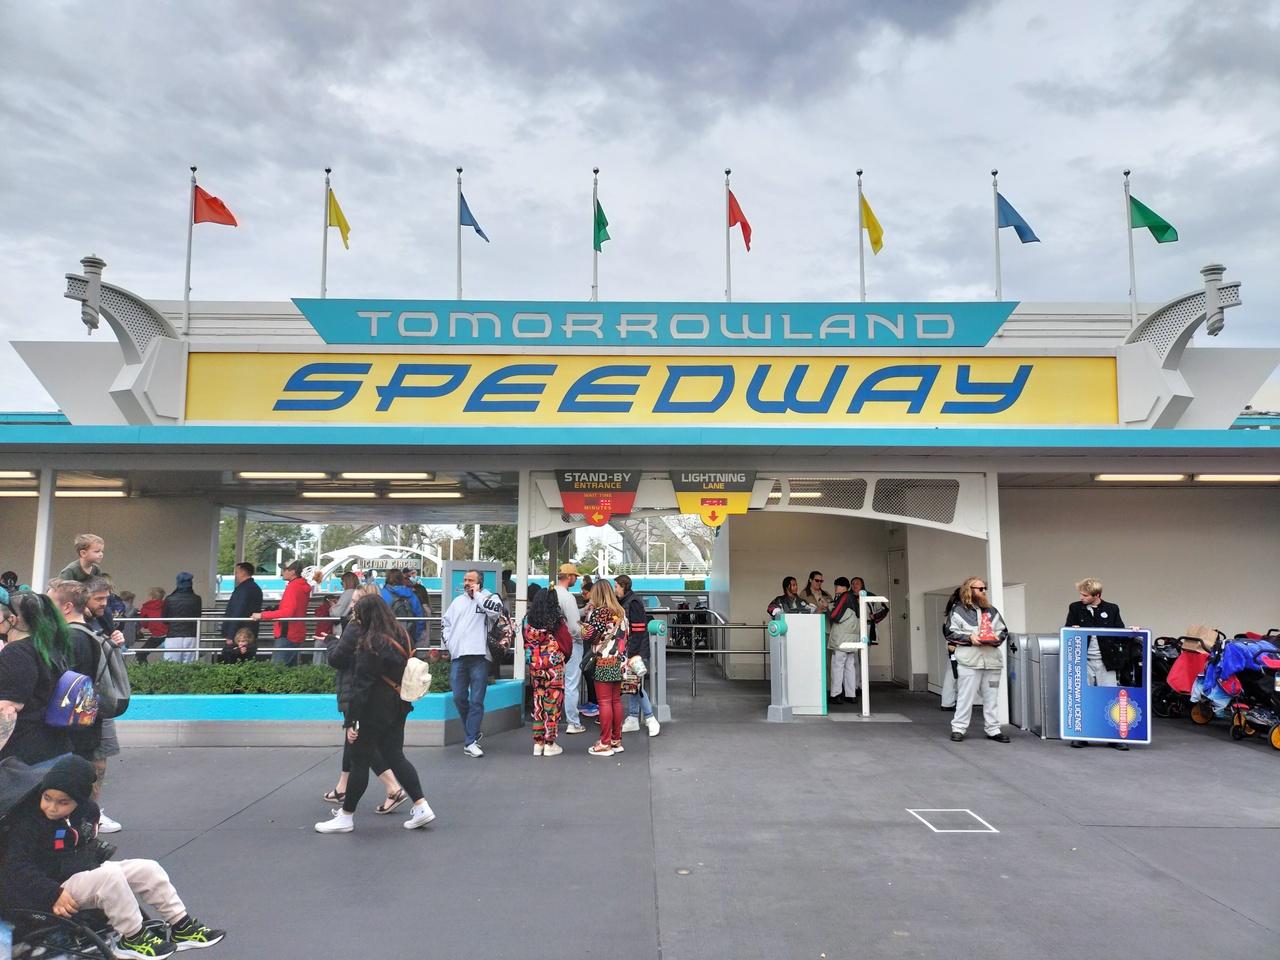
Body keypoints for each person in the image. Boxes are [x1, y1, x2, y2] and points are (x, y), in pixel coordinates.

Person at [0, 754, 225, 957]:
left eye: (62, 802)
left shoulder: (88, 812)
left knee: (147, 868)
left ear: (79, 800)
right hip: (49, 887)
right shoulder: (29, 822)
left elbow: (86, 850)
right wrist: (52, 894)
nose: (51, 807)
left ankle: (181, 926)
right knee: (110, 877)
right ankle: (132, 938)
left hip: (78, 873)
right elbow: (15, 866)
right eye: (47, 798)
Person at [315, 595, 435, 834]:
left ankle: (346, 817)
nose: (356, 619)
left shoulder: (370, 643)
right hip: (399, 704)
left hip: (373, 709)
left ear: (366, 615)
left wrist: (352, 722)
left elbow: (362, 686)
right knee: (395, 756)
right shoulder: (402, 635)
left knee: (360, 761)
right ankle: (421, 805)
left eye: (358, 615)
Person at [322, 584, 406, 811]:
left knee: (361, 742)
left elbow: (337, 658)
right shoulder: (389, 628)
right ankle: (342, 786)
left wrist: (330, 642)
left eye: (355, 602)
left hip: (357, 690)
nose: (351, 606)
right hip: (387, 696)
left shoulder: (356, 627)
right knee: (355, 740)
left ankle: (392, 788)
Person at [0, 590, 75, 764]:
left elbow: (7, 710)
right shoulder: (48, 647)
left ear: (13, 620)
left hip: (25, 759)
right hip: (54, 748)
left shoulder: (16, 652)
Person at [441, 569, 503, 758]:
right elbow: (446, 624)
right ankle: (473, 731)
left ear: (479, 582)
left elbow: (495, 611)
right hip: (459, 656)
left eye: (470, 580)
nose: (466, 583)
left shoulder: (489, 597)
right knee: (458, 697)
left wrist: (477, 595)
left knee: (476, 700)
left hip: (480, 657)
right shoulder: (457, 602)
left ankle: (470, 742)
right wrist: (450, 644)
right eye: (465, 580)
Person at [1065, 577, 1131, 751]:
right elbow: (1068, 628)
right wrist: (1073, 629)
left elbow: (1120, 631)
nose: (1081, 598)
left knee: (1110, 697)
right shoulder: (1075, 608)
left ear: (1097, 595)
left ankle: (1113, 736)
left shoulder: (1112, 608)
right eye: (1081, 594)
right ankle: (1081, 736)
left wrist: (1133, 631)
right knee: (1083, 697)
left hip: (1106, 660)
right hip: (1083, 660)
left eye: (1085, 595)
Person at [944, 576, 1011, 743]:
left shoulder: (992, 610)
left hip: (991, 661)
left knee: (991, 698)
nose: (984, 591)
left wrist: (995, 639)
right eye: (980, 589)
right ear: (970, 590)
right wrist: (969, 638)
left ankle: (993, 729)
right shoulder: (958, 610)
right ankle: (958, 728)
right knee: (965, 697)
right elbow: (950, 632)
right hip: (969, 661)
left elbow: (1003, 630)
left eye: (984, 588)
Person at [83, 577, 126, 834]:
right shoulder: (74, 623)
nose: (103, 604)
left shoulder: (104, 620)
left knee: (99, 761)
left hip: (101, 701)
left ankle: (93, 814)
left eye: (106, 599)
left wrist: (116, 642)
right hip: (79, 703)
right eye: (98, 599)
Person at [581, 579, 628, 756]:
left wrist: (584, 628)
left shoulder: (600, 612)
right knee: (616, 701)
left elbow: (591, 636)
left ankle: (605, 743)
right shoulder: (621, 611)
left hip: (604, 660)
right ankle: (616, 740)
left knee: (605, 702)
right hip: (619, 661)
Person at [523, 584, 570, 756]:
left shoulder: (527, 621)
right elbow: (567, 644)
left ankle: (538, 743)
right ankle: (550, 743)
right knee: (553, 706)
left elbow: (525, 644)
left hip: (535, 668)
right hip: (554, 669)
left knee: (538, 704)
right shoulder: (556, 621)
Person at [615, 574, 660, 737]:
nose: (615, 589)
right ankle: (634, 717)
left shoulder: (632, 603)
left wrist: (632, 654)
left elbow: (638, 630)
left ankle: (650, 718)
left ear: (623, 586)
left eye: (616, 586)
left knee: (636, 685)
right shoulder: (630, 601)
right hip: (636, 650)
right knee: (634, 684)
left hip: (635, 651)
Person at [253, 560, 312, 665]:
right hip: (296, 632)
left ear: (293, 572)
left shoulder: (293, 587)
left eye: (285, 569)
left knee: (277, 669)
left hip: (287, 634)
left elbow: (287, 612)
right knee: (290, 669)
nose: (282, 572)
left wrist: (262, 615)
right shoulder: (301, 586)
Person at [554, 562, 586, 735]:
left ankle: (552, 719)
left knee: (555, 683)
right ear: (569, 577)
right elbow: (574, 626)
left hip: (552, 644)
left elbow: (566, 616)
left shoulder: (551, 593)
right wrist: (581, 640)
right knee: (571, 683)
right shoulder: (568, 597)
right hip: (570, 644)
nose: (576, 579)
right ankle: (573, 722)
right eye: (575, 576)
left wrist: (583, 610)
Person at [827, 577, 860, 705]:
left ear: (843, 587)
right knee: (850, 665)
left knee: (837, 665)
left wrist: (828, 607)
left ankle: (835, 694)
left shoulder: (845, 596)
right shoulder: (854, 599)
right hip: (852, 637)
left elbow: (835, 615)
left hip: (842, 637)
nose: (835, 589)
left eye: (837, 586)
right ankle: (851, 695)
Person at [162, 572, 202, 663]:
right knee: (190, 665)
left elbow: (164, 619)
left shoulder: (169, 599)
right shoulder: (197, 599)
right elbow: (198, 615)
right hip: (191, 636)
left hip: (173, 635)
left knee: (171, 665)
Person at [381, 569, 426, 645]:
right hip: (408, 637)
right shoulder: (411, 595)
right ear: (401, 579)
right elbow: (420, 617)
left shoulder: (382, 594)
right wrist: (415, 637)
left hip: (387, 637)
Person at [221, 562, 262, 646]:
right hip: (249, 630)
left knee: (234, 653)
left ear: (243, 572)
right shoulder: (254, 588)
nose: (235, 575)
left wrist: (230, 634)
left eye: (237, 572)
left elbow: (238, 610)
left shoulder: (243, 589)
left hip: (240, 633)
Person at [939, 587, 961, 711]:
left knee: (951, 673)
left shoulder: (952, 608)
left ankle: (947, 702)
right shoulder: (958, 610)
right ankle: (948, 702)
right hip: (956, 645)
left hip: (951, 644)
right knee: (954, 674)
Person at [136, 586, 168, 663]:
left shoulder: (146, 607)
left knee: (140, 655)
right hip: (168, 634)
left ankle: (146, 669)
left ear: (151, 596)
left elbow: (144, 624)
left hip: (156, 635)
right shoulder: (167, 605)